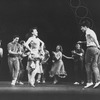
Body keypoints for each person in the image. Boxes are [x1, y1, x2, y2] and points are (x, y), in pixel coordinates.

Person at [78, 24, 100, 88]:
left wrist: (98, 45)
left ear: (85, 27)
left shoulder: (88, 31)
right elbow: (90, 40)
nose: (81, 29)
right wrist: (82, 42)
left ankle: (89, 81)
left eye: (82, 27)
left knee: (87, 64)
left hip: (91, 49)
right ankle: (98, 80)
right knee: (94, 65)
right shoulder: (92, 31)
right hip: (96, 49)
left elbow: (92, 38)